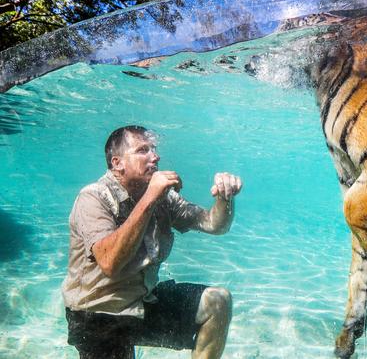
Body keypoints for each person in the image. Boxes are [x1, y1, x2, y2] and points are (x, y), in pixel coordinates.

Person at [61, 125, 242, 359]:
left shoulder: (161, 196)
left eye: (154, 149)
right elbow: (110, 263)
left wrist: (224, 198)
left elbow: (214, 225)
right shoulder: (93, 197)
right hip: (97, 314)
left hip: (144, 301)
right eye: (143, 150)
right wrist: (151, 196)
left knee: (218, 301)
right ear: (117, 163)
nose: (155, 156)